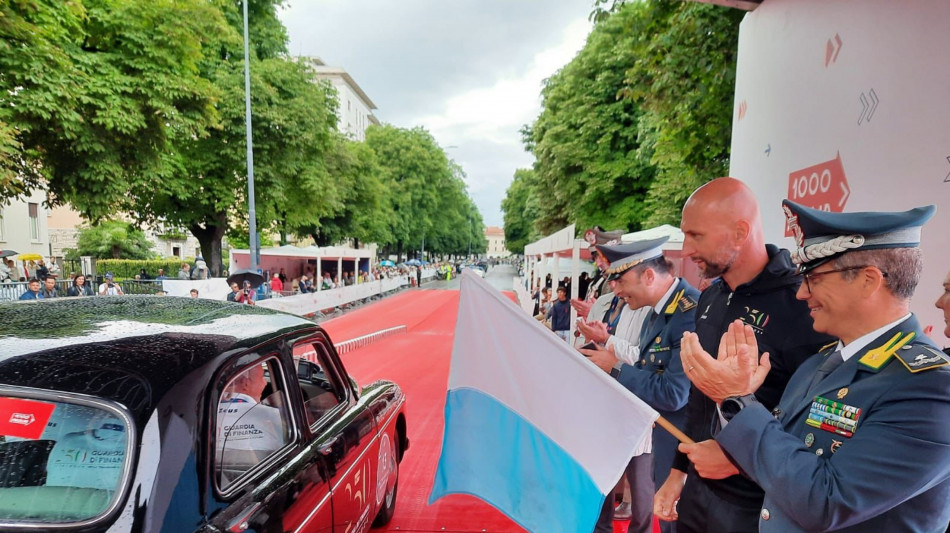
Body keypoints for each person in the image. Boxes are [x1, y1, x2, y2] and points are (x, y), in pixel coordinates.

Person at [681, 200, 950, 532]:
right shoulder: (820, 363)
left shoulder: (931, 389)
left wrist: (737, 399)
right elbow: (786, 463)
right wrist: (739, 402)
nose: (801, 293)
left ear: (868, 281)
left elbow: (827, 503)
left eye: (815, 278)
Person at [654, 178, 833, 532]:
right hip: (698, 492)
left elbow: (818, 421)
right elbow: (699, 398)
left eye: (696, 236)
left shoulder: (800, 304)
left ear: (739, 233)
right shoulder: (711, 297)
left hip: (759, 503)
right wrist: (677, 472)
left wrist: (740, 461)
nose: (686, 250)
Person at [579, 236, 698, 533]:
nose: (616, 290)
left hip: (682, 451)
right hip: (664, 441)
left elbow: (674, 394)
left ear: (648, 276)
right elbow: (648, 370)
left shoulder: (687, 313)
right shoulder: (657, 313)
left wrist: (615, 366)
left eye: (621, 281)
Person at [572, 227, 625, 320]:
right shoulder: (606, 281)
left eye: (601, 257)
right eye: (596, 258)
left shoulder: (627, 282)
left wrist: (594, 312)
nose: (598, 263)